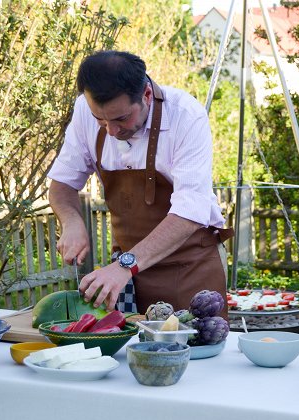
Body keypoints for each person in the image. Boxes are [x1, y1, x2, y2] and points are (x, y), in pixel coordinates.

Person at [48, 50, 233, 315]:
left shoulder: (186, 115)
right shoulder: (84, 111)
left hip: (189, 268)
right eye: (100, 120)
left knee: (192, 350)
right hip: (127, 277)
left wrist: (125, 266)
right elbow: (63, 183)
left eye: (121, 118)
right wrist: (71, 221)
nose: (111, 131)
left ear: (146, 95)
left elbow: (191, 210)